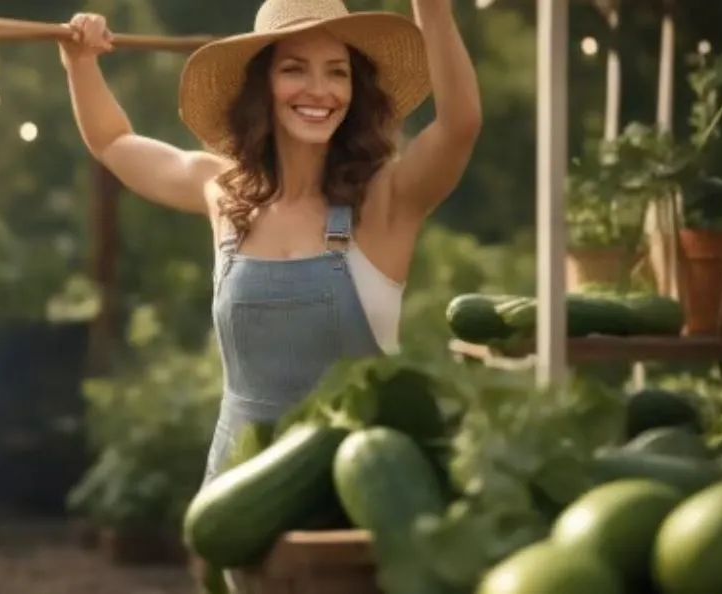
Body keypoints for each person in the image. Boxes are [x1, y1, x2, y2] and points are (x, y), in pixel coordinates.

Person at [59, 0, 480, 484]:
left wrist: (432, 9)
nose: (319, 90)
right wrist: (81, 63)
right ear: (263, 85)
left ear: (355, 89)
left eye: (337, 72)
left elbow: (459, 125)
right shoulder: (225, 192)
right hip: (234, 492)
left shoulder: (386, 202)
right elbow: (113, 142)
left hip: (352, 494)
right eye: (294, 69)